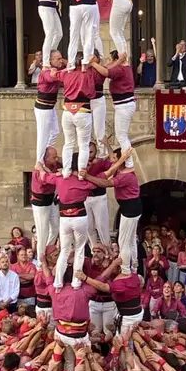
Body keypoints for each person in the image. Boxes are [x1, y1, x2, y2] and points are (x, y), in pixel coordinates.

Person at [37, 153, 94, 290]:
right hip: (80, 216)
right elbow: (98, 183)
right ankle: (76, 282)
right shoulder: (84, 181)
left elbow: (44, 176)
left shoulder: (60, 179)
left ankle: (58, 283)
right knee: (79, 250)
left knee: (64, 251)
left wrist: (40, 168)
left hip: (65, 218)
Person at [91, 51, 135, 168]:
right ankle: (128, 162)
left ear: (116, 60)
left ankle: (129, 164)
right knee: (122, 135)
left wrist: (93, 64)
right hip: (123, 105)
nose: (109, 62)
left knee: (122, 136)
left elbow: (107, 72)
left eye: (110, 59)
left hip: (124, 105)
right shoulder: (123, 67)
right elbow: (109, 67)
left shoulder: (120, 69)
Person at [37, 0, 63, 67]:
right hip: (45, 5)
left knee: (59, 33)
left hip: (52, 5)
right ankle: (46, 61)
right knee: (50, 33)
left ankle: (50, 54)